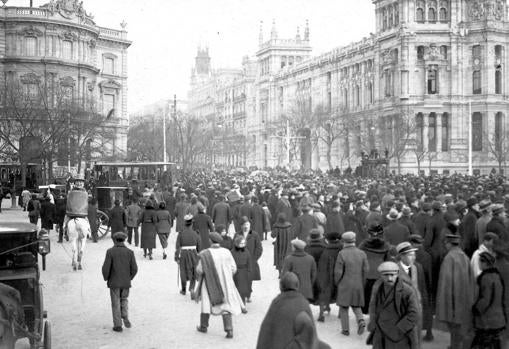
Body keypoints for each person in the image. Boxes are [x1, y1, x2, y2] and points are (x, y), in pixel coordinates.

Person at [256, 272, 331, 349]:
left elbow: (265, 334)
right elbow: (309, 337)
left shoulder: (276, 304)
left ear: (281, 287)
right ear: (297, 286)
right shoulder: (302, 303)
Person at [194, 232, 244, 339]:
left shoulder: (205, 254)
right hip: (225, 282)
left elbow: (199, 270)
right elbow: (234, 268)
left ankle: (203, 326)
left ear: (210, 241)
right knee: (225, 306)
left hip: (209, 282)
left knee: (206, 305)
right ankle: (229, 330)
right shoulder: (227, 252)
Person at [367, 261, 420, 349]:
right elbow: (373, 307)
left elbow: (414, 314)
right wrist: (373, 323)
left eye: (392, 275)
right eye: (386, 275)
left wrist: (398, 330)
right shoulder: (377, 288)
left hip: (399, 336)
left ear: (398, 274)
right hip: (380, 334)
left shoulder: (407, 291)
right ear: (380, 275)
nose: (390, 278)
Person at [436, 233, 476, 349]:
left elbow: (445, 283)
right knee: (461, 329)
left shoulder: (449, 258)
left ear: (448, 243)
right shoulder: (465, 257)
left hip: (452, 301)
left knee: (454, 330)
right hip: (465, 300)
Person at [101, 231, 138, 332]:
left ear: (115, 240)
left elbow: (105, 268)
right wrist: (129, 278)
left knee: (115, 303)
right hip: (126, 282)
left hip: (114, 282)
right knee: (124, 299)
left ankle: (117, 325)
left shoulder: (110, 252)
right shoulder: (130, 252)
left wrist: (106, 278)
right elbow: (134, 268)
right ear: (124, 240)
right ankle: (125, 316)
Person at [334, 231, 368, 336]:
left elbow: (338, 271)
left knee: (344, 307)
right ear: (354, 241)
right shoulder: (362, 253)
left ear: (344, 241)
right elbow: (366, 270)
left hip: (345, 283)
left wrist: (337, 282)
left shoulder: (342, 253)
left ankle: (345, 330)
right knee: (356, 304)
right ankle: (361, 320)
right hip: (358, 283)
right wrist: (363, 282)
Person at [472, 252, 507, 349]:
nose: (478, 263)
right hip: (498, 320)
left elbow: (485, 299)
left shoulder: (485, 278)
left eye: (480, 261)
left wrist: (475, 309)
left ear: (485, 263)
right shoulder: (497, 276)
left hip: (487, 321)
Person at [359, 223, 395, 315]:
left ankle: (368, 311)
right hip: (380, 273)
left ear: (369, 233)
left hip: (367, 273)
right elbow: (388, 260)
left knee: (368, 293)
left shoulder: (363, 244)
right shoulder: (385, 245)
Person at [316, 231, 343, 322]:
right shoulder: (342, 249)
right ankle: (340, 313)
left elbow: (322, 268)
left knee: (324, 292)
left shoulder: (326, 251)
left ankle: (321, 314)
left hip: (327, 276)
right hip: (341, 275)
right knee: (340, 292)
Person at [236, 217, 262, 302]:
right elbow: (233, 247)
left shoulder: (255, 235)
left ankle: (248, 294)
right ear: (241, 226)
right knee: (240, 279)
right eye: (244, 224)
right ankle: (242, 295)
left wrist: (254, 259)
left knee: (249, 279)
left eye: (247, 224)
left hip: (251, 262)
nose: (246, 226)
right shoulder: (237, 235)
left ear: (250, 225)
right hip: (240, 262)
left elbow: (259, 248)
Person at [175, 214, 200, 296]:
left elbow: (178, 247)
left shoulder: (181, 233)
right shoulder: (196, 233)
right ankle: (192, 288)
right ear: (192, 223)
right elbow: (199, 247)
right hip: (193, 253)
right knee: (193, 271)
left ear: (185, 223)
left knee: (183, 271)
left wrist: (177, 257)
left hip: (184, 254)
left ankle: (183, 289)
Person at [230, 235, 251, 312]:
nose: (242, 245)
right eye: (241, 243)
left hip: (243, 272)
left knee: (242, 290)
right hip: (235, 272)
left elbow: (249, 262)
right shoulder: (232, 252)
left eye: (243, 243)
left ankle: (243, 306)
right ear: (236, 243)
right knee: (235, 289)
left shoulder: (246, 251)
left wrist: (249, 272)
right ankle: (234, 305)